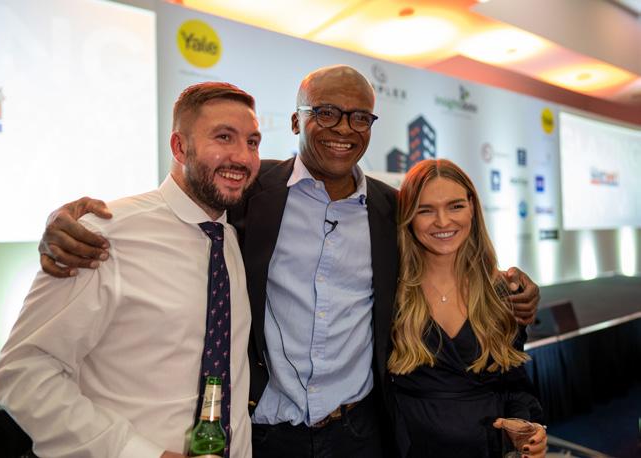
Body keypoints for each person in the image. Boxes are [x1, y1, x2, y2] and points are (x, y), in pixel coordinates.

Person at [36, 65, 541, 457]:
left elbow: (446, 250)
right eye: (326, 112)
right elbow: (182, 203)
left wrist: (513, 286)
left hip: (361, 432)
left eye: (359, 117)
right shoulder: (251, 191)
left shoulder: (391, 210)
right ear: (297, 120)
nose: (343, 128)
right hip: (265, 433)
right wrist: (68, 222)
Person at [0, 82, 262, 458]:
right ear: (179, 147)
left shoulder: (232, 233)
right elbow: (23, 371)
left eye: (252, 142)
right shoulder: (104, 234)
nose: (243, 157)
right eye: (224, 137)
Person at [389, 159, 546, 457]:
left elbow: (514, 385)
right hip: (408, 448)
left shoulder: (504, 293)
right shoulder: (390, 292)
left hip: (484, 447)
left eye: (455, 206)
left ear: (472, 207)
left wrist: (524, 426)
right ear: (408, 216)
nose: (443, 221)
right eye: (425, 210)